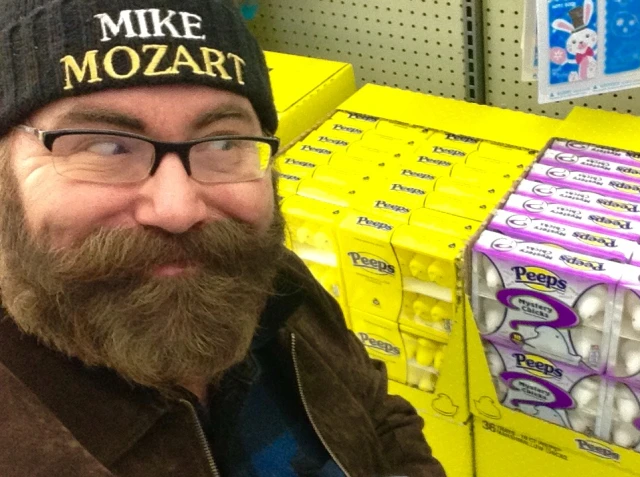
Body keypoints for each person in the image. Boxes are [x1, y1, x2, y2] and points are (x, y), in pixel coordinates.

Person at [0, 1, 445, 476]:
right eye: (106, 146)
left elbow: (380, 420)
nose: (178, 210)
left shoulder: (267, 279)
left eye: (223, 143)